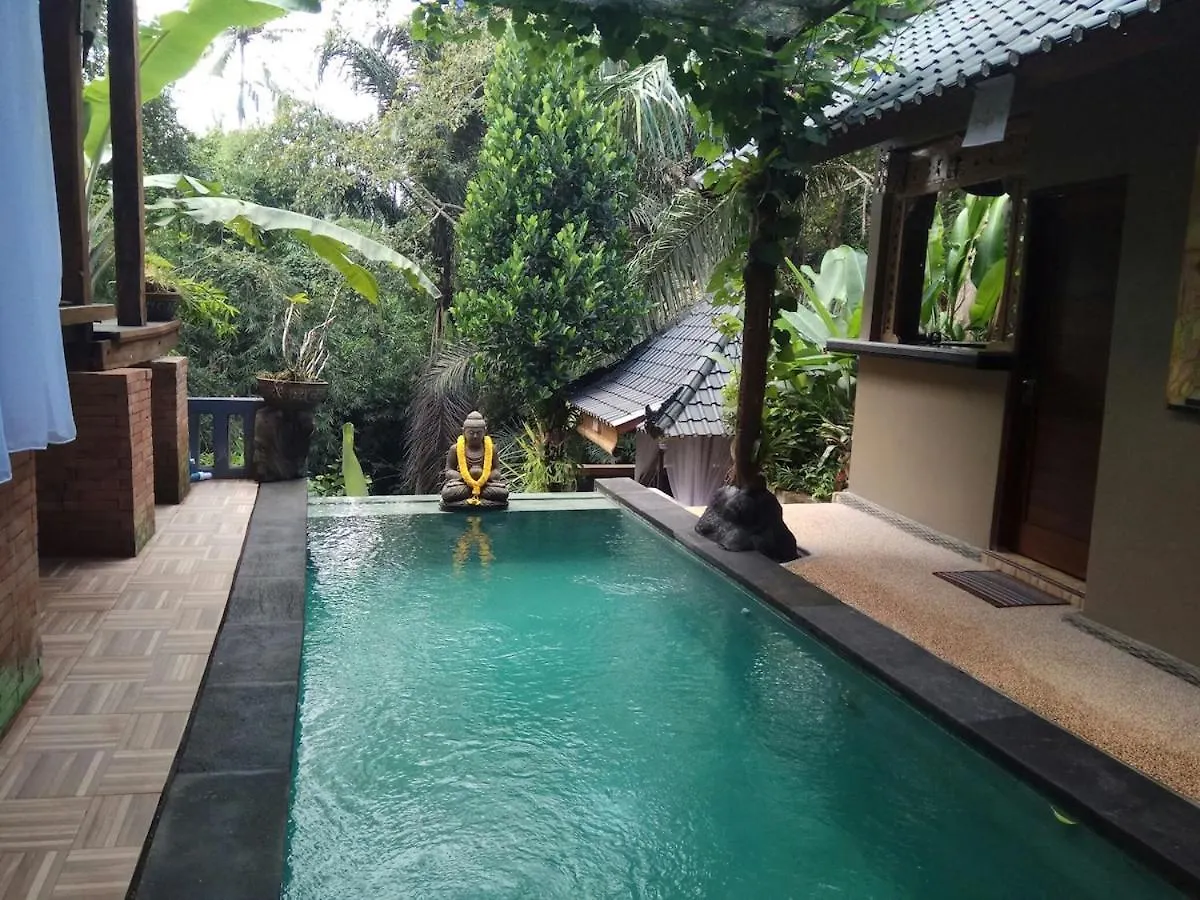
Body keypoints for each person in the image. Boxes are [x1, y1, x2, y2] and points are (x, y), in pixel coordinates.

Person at [440, 411, 509, 509]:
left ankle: (469, 500)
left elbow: (497, 470)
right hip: (464, 484)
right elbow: (448, 470)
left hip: (485, 485)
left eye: (479, 433)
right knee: (447, 494)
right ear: (463, 431)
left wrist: (484, 477)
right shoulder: (455, 449)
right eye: (471, 433)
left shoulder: (491, 448)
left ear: (485, 432)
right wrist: (465, 477)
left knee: (503, 493)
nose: (475, 436)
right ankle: (480, 500)